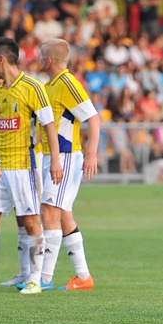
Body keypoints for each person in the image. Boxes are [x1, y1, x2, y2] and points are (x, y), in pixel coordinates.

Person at [0, 36, 62, 295]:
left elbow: (49, 126)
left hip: (25, 167)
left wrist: (54, 160)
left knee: (31, 221)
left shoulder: (33, 87)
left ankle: (34, 278)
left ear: (1, 59)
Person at [31, 38, 100, 291]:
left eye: (40, 56)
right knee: (63, 216)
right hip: (53, 157)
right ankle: (83, 276)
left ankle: (44, 278)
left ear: (48, 60)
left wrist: (91, 154)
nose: (38, 59)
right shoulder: (49, 86)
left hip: (67, 156)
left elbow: (93, 118)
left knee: (49, 211)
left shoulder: (68, 83)